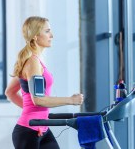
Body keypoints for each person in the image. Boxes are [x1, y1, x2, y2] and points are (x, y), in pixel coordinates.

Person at [5, 16, 84, 149]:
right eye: (47, 31)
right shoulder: (32, 62)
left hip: (42, 128)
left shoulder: (33, 61)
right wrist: (71, 100)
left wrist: (31, 111)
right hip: (28, 131)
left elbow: (10, 92)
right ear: (36, 36)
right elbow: (38, 100)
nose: (51, 35)